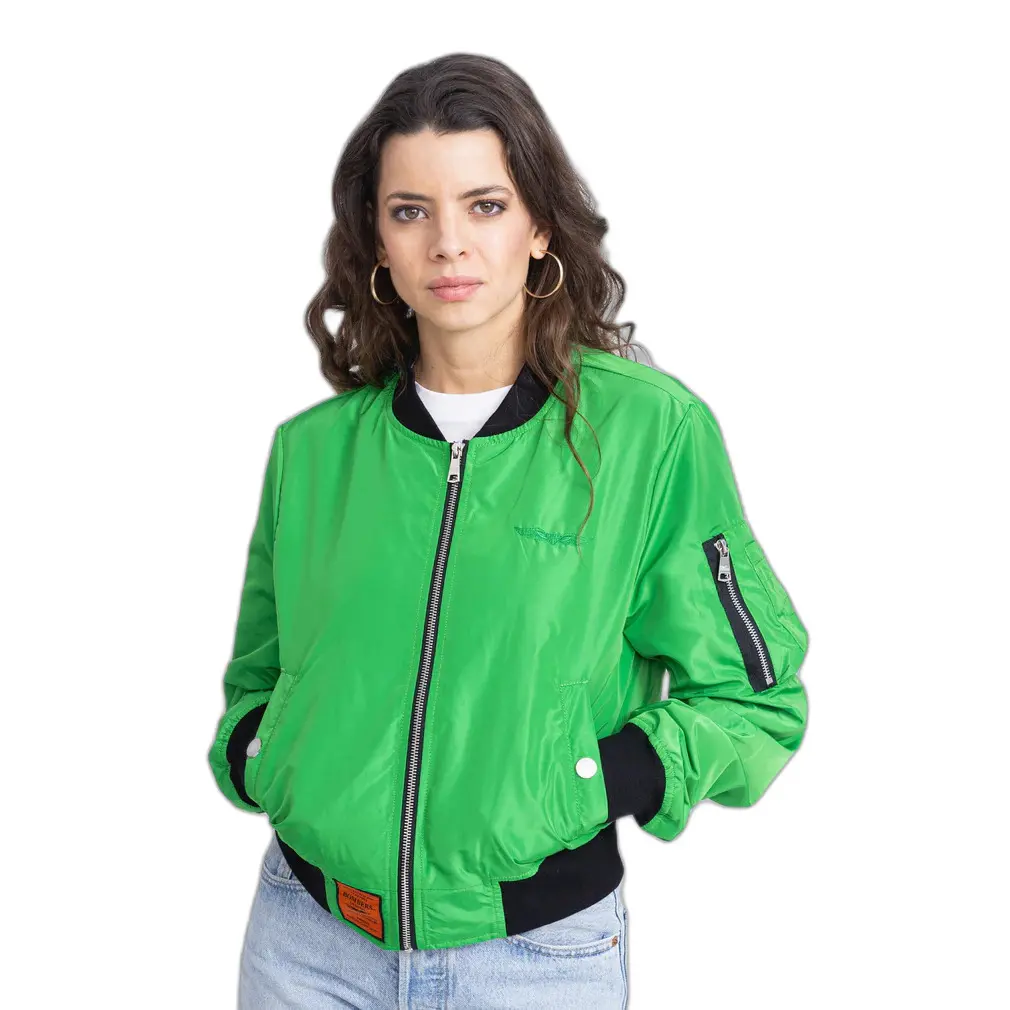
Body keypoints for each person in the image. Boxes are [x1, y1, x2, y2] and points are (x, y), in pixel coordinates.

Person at [206, 52, 810, 1010]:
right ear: (378, 242)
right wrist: (263, 752)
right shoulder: (313, 454)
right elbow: (262, 675)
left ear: (539, 226)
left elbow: (757, 698)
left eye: (484, 205)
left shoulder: (649, 436)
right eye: (411, 211)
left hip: (534, 960)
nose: (449, 243)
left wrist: (594, 781)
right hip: (306, 946)